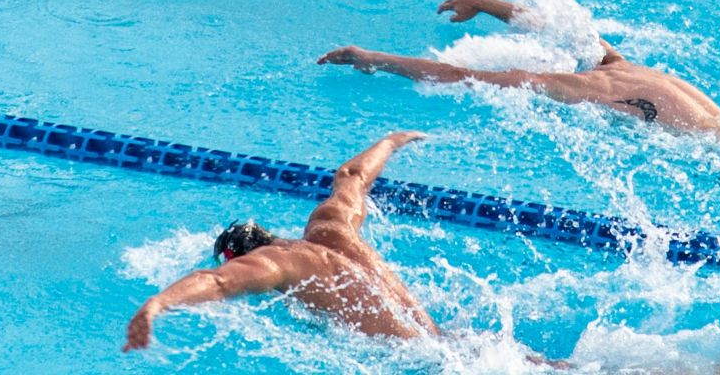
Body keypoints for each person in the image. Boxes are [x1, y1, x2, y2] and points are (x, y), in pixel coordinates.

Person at [125, 131, 526, 352]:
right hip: (451, 343)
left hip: (425, 363)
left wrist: (157, 304)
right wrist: (390, 141)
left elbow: (217, 282)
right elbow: (352, 176)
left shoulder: (275, 264)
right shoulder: (328, 227)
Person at [318, 0, 720, 153]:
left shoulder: (573, 85)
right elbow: (563, 28)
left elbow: (457, 76)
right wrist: (486, 3)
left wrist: (373, 58)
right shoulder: (619, 63)